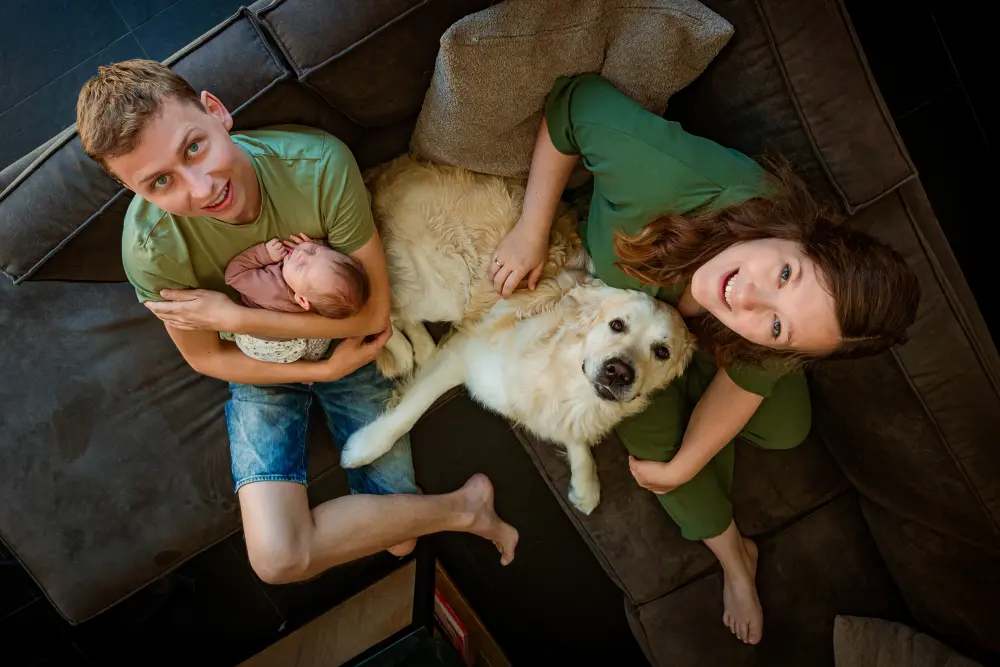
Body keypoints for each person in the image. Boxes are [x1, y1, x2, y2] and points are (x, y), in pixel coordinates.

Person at [488, 73, 920, 645]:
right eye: (785, 274)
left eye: (777, 325)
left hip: (701, 342)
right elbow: (574, 101)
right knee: (654, 448)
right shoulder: (664, 180)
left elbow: (757, 350)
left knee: (788, 429)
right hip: (639, 318)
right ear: (797, 232)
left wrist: (694, 460)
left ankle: (700, 402)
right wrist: (531, 227)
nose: (745, 297)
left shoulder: (777, 328)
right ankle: (735, 557)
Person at [76, 59, 518, 585]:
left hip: (347, 345)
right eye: (161, 182)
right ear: (139, 194)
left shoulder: (318, 166)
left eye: (194, 147)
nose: (200, 187)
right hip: (260, 367)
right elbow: (208, 356)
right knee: (279, 559)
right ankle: (464, 508)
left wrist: (236, 315)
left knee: (401, 540)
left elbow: (373, 313)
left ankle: (454, 511)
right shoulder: (152, 251)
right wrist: (317, 371)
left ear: (217, 113)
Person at [225, 233, 370, 363]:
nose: (302, 254)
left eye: (302, 267)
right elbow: (325, 267)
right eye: (314, 252)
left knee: (304, 350)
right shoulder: (313, 287)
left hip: (264, 345)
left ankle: (307, 365)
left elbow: (233, 275)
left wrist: (264, 254)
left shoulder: (269, 287)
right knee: (316, 343)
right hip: (293, 331)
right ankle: (312, 359)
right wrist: (317, 245)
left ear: (301, 300)